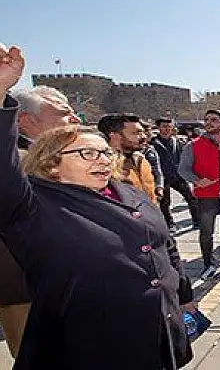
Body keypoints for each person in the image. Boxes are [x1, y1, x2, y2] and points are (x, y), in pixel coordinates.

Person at [0, 44, 194, 369]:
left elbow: (164, 245)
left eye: (105, 152)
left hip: (158, 339)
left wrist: (183, 293)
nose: (102, 160)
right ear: (51, 165)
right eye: (87, 154)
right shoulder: (33, 205)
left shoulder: (128, 193)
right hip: (91, 348)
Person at [0, 86, 81, 359]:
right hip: (27, 287)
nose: (75, 119)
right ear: (26, 120)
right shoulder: (11, 165)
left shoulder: (72, 156)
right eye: (63, 113)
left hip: (77, 280)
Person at [178, 109, 220, 280]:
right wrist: (197, 180)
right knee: (206, 232)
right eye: (207, 119)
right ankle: (208, 263)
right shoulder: (193, 145)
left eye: (214, 120)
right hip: (206, 196)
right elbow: (183, 169)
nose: (208, 123)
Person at [151, 118, 200, 232]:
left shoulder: (177, 141)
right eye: (164, 126)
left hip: (178, 175)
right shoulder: (153, 143)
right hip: (163, 177)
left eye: (169, 126)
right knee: (165, 203)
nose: (167, 129)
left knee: (192, 198)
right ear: (158, 127)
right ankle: (170, 224)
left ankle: (197, 221)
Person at [98, 113, 159, 203]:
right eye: (136, 133)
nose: (143, 137)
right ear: (114, 136)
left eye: (142, 132)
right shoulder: (102, 165)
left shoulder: (140, 160)